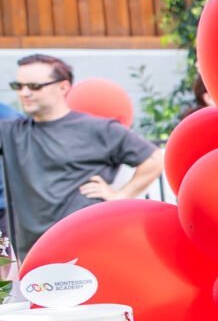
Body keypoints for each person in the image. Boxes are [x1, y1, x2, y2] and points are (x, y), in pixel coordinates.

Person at [2, 55, 161, 251]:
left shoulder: (98, 129)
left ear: (63, 87)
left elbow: (155, 160)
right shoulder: (10, 132)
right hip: (35, 252)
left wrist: (121, 196)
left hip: (89, 244)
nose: (25, 93)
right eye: (19, 86)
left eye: (34, 86)